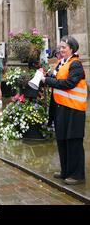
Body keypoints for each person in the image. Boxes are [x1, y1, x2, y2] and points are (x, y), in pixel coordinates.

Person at [41, 36, 87, 185]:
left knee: (73, 141)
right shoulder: (60, 63)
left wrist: (48, 81)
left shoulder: (76, 65)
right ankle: (66, 171)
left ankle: (77, 175)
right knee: (62, 140)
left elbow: (69, 83)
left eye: (64, 47)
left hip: (74, 109)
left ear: (72, 49)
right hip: (61, 108)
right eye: (60, 47)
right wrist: (43, 77)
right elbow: (54, 78)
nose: (60, 50)